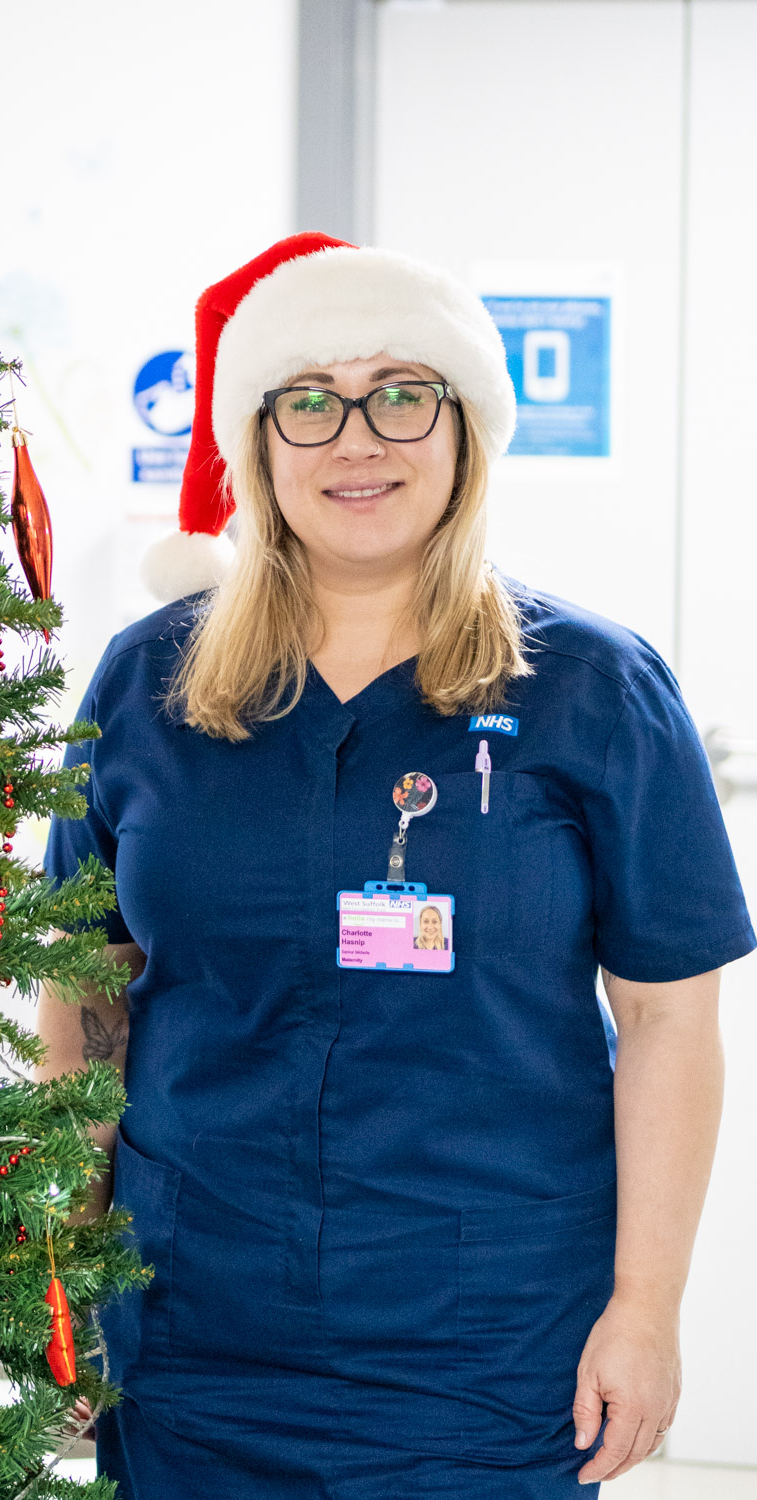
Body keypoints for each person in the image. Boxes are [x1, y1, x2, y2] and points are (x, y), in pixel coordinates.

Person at [38, 233, 754, 1499]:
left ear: (465, 431)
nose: (356, 440)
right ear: (257, 443)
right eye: (310, 402)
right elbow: (86, 985)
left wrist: (646, 1306)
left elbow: (667, 1021)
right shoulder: (147, 683)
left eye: (400, 395)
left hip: (489, 1341)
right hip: (193, 1324)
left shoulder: (593, 689)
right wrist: (63, 1259)